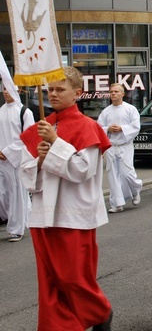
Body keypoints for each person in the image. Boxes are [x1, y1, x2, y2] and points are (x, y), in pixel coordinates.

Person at [19, 66, 113, 330]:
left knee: (74, 278)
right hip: (42, 214)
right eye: (50, 89)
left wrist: (56, 142)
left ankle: (100, 313)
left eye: (60, 89)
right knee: (49, 283)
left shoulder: (88, 126)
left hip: (75, 214)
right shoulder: (42, 125)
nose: (53, 94)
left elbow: (83, 170)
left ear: (77, 93)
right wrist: (38, 161)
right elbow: (25, 172)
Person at [98, 83, 143, 213]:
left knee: (127, 173)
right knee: (113, 175)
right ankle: (116, 203)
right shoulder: (106, 111)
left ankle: (135, 190)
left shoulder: (130, 109)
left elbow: (136, 127)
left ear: (122, 94)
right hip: (111, 146)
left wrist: (122, 128)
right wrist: (108, 129)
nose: (113, 94)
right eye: (111, 92)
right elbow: (99, 128)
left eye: (116, 91)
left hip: (125, 145)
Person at [0, 85, 34, 242]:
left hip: (17, 158)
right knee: (3, 193)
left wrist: (8, 152)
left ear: (18, 91)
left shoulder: (25, 112)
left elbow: (28, 136)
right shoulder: (1, 110)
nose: (6, 92)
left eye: (9, 89)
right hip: (1, 158)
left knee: (17, 194)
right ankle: (13, 219)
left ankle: (16, 228)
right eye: (4, 89)